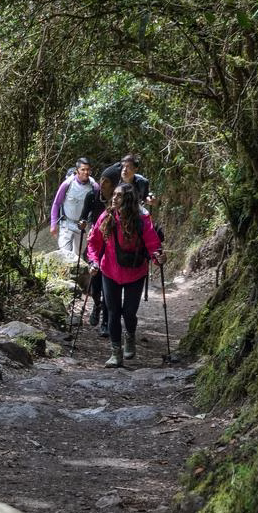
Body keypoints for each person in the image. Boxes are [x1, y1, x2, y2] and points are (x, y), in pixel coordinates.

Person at [87, 182, 162, 368]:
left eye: (119, 196)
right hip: (109, 270)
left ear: (128, 199)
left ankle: (129, 336)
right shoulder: (107, 216)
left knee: (129, 312)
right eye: (114, 195)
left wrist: (158, 257)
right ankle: (116, 353)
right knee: (112, 312)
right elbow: (94, 242)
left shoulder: (142, 219)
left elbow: (152, 243)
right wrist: (93, 261)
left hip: (135, 272)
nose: (114, 198)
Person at [81, 166, 119, 335]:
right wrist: (83, 224)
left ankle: (106, 321)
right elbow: (84, 216)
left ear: (114, 185)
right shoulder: (92, 196)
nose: (102, 183)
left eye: (107, 181)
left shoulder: (118, 200)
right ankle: (97, 306)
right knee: (96, 285)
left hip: (111, 248)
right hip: (95, 245)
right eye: (102, 179)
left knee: (108, 286)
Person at [49, 157, 97, 256]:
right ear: (77, 171)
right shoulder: (67, 184)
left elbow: (97, 207)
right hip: (67, 223)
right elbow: (56, 203)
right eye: (83, 169)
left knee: (77, 256)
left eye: (88, 169)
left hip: (83, 226)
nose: (86, 172)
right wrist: (53, 224)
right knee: (64, 253)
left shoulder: (94, 187)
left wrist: (94, 226)